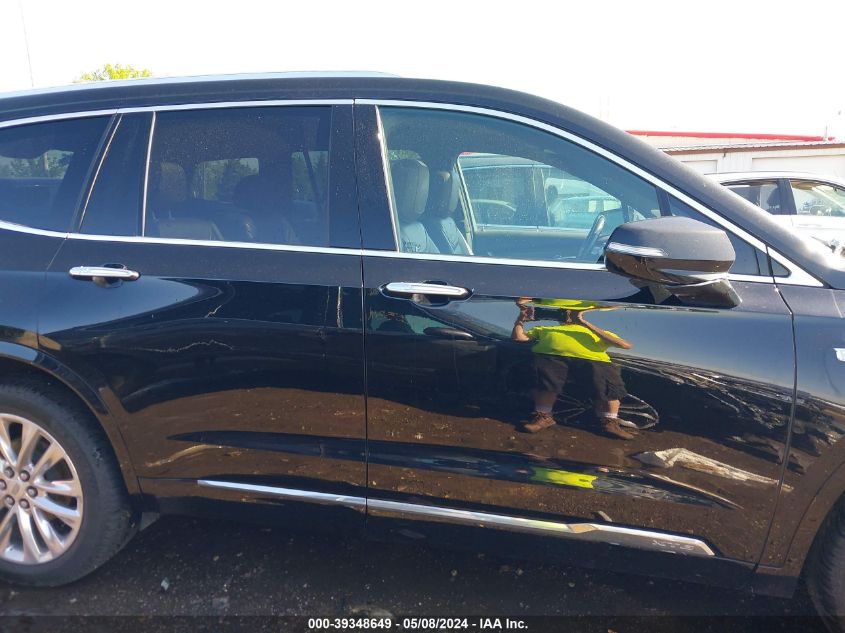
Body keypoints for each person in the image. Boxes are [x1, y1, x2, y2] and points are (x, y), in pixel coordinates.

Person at [511, 298, 635, 439]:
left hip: (594, 361)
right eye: (565, 312)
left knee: (607, 387)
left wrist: (584, 323)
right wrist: (521, 319)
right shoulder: (545, 329)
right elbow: (518, 338)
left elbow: (625, 345)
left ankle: (610, 422)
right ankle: (543, 417)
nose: (568, 316)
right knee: (545, 382)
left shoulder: (597, 332)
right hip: (551, 358)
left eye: (573, 313)